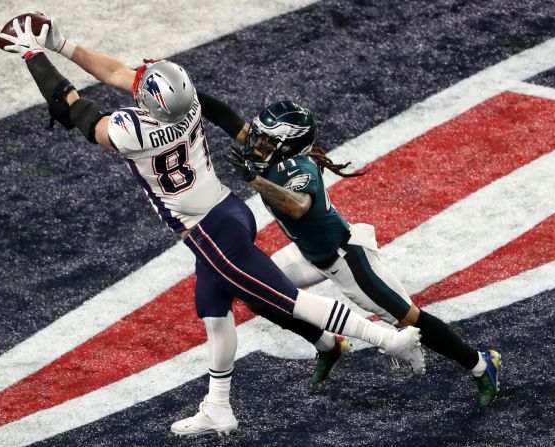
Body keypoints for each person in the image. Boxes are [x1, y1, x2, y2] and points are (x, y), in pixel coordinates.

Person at [0, 14, 426, 437]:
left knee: (287, 300)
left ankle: (389, 340)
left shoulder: (133, 132)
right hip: (226, 210)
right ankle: (218, 408)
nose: (138, 77)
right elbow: (114, 72)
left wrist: (35, 56)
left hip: (207, 231)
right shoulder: (189, 104)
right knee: (213, 312)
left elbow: (74, 109)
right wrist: (62, 44)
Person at [197, 95, 502, 407]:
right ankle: (327, 344)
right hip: (308, 253)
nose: (254, 143)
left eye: (265, 139)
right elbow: (227, 118)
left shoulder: (300, 168)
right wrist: (188, 92)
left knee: (409, 320)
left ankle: (480, 363)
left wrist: (255, 179)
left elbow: (298, 206)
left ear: (287, 145)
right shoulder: (274, 150)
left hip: (345, 259)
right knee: (254, 293)